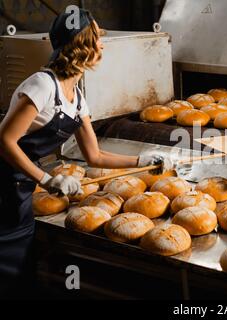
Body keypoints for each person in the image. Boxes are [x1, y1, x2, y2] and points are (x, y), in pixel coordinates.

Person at [0, 9, 173, 297]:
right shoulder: (42, 85)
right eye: (96, 39)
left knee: (20, 269)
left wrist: (142, 161)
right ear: (81, 46)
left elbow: (95, 156)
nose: (102, 45)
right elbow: (5, 141)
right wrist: (47, 179)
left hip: (19, 187)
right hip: (4, 185)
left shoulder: (77, 97)